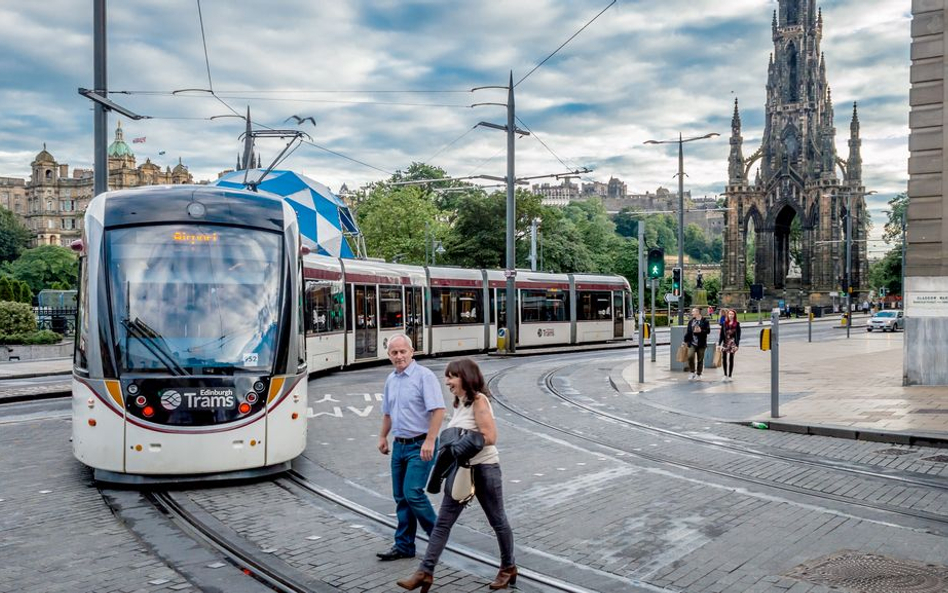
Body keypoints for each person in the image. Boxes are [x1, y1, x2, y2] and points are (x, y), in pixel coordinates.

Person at [397, 358, 516, 592]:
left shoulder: (479, 401)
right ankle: (425, 572)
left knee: (497, 520)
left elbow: (490, 437)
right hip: (462, 470)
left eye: (452, 376)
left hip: (485, 469)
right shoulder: (459, 403)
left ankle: (508, 567)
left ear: (465, 377)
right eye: (447, 377)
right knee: (442, 523)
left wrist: (461, 444)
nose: (447, 381)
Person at [377, 334, 446, 561]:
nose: (399, 356)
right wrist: (382, 437)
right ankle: (404, 546)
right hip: (400, 445)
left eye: (402, 351)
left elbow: (438, 410)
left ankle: (437, 536)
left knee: (412, 493)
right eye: (394, 353)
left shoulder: (424, 376)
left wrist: (430, 440)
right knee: (401, 498)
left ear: (411, 351)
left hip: (421, 443)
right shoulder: (391, 380)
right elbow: (388, 413)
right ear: (389, 356)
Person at [683, 307, 711, 381]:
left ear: (698, 312)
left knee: (700, 359)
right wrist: (684, 341)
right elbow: (688, 332)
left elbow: (708, 331)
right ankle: (692, 371)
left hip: (701, 343)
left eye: (693, 312)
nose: (692, 313)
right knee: (690, 356)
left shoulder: (705, 321)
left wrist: (701, 331)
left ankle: (699, 373)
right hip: (692, 342)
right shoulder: (691, 321)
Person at [717, 309, 742, 382]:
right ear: (728, 315)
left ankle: (730, 375)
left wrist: (737, 345)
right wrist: (719, 344)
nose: (731, 315)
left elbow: (738, 335)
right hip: (725, 342)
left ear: (734, 316)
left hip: (733, 343)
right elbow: (721, 335)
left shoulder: (737, 324)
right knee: (724, 358)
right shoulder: (724, 323)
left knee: (731, 359)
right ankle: (725, 375)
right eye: (730, 314)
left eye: (732, 314)